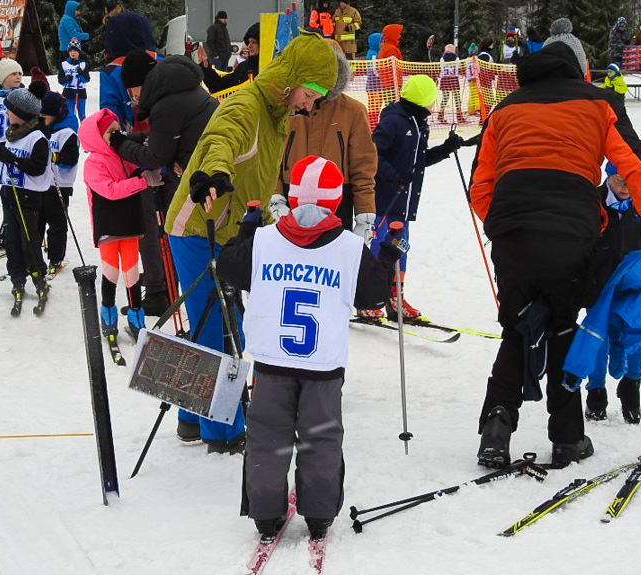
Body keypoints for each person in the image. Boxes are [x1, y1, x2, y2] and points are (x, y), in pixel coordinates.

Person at [470, 18, 641, 469]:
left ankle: (496, 429)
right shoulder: (599, 103)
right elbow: (639, 172)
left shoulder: (505, 109)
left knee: (517, 326)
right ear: (580, 69)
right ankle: (567, 438)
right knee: (561, 324)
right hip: (572, 233)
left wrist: (505, 226)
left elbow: (481, 188)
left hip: (512, 233)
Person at [164, 32, 339, 453]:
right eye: (311, 92)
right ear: (290, 77)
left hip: (226, 229)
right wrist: (215, 173)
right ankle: (223, 432)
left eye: (318, 97)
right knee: (218, 330)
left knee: (222, 322)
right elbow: (220, 139)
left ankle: (191, 416)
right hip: (196, 227)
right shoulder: (247, 105)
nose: (310, 104)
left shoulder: (277, 113)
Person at [216, 155, 400, 543]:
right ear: (336, 201)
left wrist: (245, 232)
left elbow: (229, 269)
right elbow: (375, 294)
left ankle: (266, 514)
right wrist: (387, 254)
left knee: (267, 435)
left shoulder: (264, 240)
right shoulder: (350, 248)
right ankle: (318, 515)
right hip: (323, 365)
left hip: (270, 362)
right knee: (321, 437)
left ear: (293, 197)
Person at [113, 52, 220, 319]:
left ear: (141, 83)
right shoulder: (179, 89)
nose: (133, 96)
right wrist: (132, 138)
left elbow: (155, 156)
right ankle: (170, 288)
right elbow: (164, 135)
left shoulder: (166, 103)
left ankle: (176, 296)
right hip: (200, 167)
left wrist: (119, 145)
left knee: (181, 234)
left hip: (198, 176)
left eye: (132, 90)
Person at [580, 163, 641, 424]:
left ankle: (631, 385)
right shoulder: (591, 202)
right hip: (601, 282)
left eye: (631, 179)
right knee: (599, 336)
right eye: (620, 179)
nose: (626, 186)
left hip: (636, 284)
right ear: (608, 176)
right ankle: (596, 391)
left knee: (639, 333)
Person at [364, 75, 462, 321]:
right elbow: (373, 154)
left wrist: (446, 149)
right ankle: (369, 298)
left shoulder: (419, 124)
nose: (433, 105)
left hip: (405, 203)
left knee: (400, 249)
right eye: (431, 100)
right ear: (422, 100)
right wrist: (393, 175)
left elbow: (419, 162)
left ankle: (394, 297)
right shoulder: (394, 121)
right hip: (385, 200)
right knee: (379, 247)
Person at [271, 44, 376, 241]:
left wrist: (364, 216)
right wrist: (275, 197)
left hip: (337, 204)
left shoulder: (353, 112)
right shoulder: (286, 108)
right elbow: (270, 159)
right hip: (290, 200)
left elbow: (363, 168)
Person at [79, 109, 162, 339]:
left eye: (118, 130)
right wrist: (142, 181)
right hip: (109, 227)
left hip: (130, 224)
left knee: (132, 272)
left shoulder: (123, 155)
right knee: (111, 272)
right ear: (98, 136)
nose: (117, 135)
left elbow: (139, 168)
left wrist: (150, 167)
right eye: (110, 132)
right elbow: (110, 191)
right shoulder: (93, 163)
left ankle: (136, 317)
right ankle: (108, 314)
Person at [0, 82, 52, 311]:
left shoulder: (37, 138)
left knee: (28, 241)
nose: (5, 113)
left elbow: (37, 167)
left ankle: (38, 277)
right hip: (9, 195)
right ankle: (17, 278)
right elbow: (6, 159)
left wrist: (9, 158)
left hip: (27, 197)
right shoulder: (12, 134)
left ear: (22, 115)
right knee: (12, 241)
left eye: (9, 109)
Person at [38, 90, 80, 276]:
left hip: (60, 185)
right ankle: (34, 256)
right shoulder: (43, 129)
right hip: (40, 184)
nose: (41, 118)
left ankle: (55, 259)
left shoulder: (68, 132)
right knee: (37, 220)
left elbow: (71, 158)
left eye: (44, 116)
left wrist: (54, 156)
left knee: (57, 224)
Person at [198, 23, 259, 95]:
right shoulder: (244, 67)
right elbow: (220, 86)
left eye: (254, 42)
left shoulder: (269, 69)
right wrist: (206, 68)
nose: (249, 46)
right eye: (249, 42)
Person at [58, 39, 90, 122]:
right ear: (68, 52)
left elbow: (87, 79)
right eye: (71, 50)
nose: (73, 53)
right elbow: (60, 79)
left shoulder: (83, 64)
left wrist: (81, 73)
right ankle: (71, 132)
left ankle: (85, 132)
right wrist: (66, 79)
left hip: (81, 92)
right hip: (68, 92)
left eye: (75, 50)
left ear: (79, 52)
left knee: (82, 115)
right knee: (70, 114)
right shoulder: (64, 64)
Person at [437, 44, 462, 123]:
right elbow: (458, 68)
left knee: (445, 98)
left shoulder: (442, 59)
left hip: (445, 79)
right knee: (457, 97)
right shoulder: (457, 59)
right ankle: (459, 116)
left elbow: (441, 69)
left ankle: (440, 115)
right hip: (454, 79)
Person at [365, 32, 383, 131]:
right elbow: (374, 70)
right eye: (381, 41)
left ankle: (374, 124)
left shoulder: (376, 53)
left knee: (377, 106)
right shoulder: (373, 54)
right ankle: (372, 125)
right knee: (374, 107)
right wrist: (382, 75)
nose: (382, 43)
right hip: (373, 86)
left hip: (378, 86)